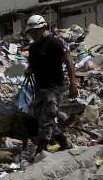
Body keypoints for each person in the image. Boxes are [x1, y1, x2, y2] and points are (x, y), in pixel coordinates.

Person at [25, 14, 79, 154]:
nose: (33, 34)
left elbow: (68, 61)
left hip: (54, 87)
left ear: (43, 28)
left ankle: (40, 151)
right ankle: (64, 143)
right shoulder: (32, 48)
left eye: (36, 31)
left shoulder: (54, 43)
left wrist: (73, 82)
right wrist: (29, 70)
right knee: (41, 118)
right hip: (39, 88)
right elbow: (33, 65)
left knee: (46, 119)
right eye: (31, 32)